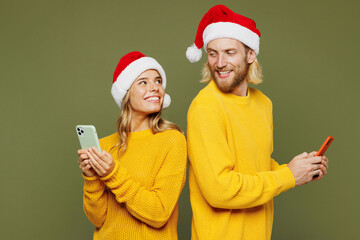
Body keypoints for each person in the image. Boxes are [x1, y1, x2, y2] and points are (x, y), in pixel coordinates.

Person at [185, 5, 329, 240]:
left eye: (229, 52)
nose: (220, 63)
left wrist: (300, 169)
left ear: (250, 54)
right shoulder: (205, 108)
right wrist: (288, 176)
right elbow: (220, 190)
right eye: (212, 53)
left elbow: (255, 165)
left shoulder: (264, 104)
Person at [77, 51, 187, 239]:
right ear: (126, 93)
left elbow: (159, 213)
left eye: (158, 81)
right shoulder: (104, 146)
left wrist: (112, 174)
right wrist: (91, 179)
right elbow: (98, 219)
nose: (155, 88)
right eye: (143, 82)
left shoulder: (172, 140)